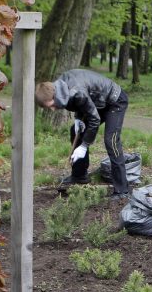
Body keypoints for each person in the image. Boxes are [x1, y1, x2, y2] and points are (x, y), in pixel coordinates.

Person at [35, 69, 129, 198]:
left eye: (50, 105)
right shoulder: (60, 89)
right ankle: (79, 175)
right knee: (76, 131)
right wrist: (78, 119)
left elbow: (93, 119)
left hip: (115, 100)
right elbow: (81, 103)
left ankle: (122, 190)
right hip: (98, 102)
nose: (52, 109)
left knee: (111, 140)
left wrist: (84, 146)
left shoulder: (75, 91)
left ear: (54, 96)